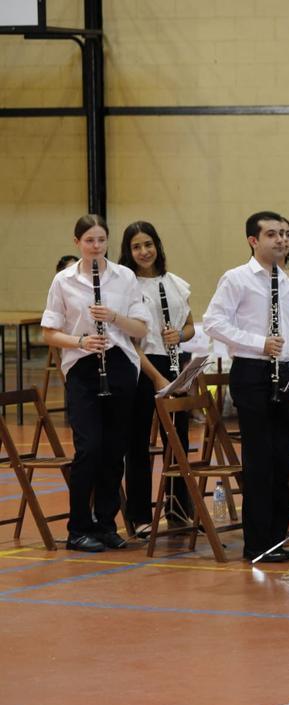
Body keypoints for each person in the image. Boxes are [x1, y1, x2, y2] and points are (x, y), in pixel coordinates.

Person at [41, 215, 150, 552]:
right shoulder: (63, 281)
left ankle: (105, 525)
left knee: (114, 449)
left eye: (101, 240)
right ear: (77, 242)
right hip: (83, 366)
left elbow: (141, 329)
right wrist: (81, 341)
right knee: (89, 448)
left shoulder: (124, 276)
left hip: (119, 364)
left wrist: (113, 317)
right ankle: (78, 528)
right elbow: (49, 333)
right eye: (89, 240)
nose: (96, 246)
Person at [203, 211, 289, 563]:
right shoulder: (237, 278)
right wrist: (259, 343)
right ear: (253, 240)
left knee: (282, 460)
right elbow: (213, 322)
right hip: (252, 373)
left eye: (285, 234)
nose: (281, 240)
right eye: (272, 234)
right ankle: (257, 544)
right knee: (259, 461)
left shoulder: (287, 282)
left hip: (284, 374)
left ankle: (276, 539)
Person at [119, 220, 195, 535]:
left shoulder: (174, 282)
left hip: (173, 362)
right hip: (141, 367)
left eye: (148, 244)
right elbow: (129, 342)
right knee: (137, 441)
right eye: (136, 246)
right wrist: (156, 377)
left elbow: (190, 327)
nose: (144, 251)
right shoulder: (126, 286)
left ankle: (178, 508)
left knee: (177, 439)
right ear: (128, 251)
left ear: (157, 245)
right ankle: (139, 516)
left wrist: (179, 335)